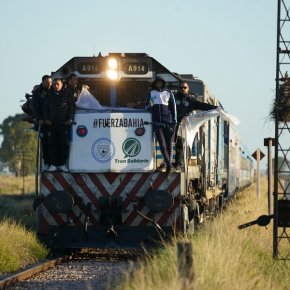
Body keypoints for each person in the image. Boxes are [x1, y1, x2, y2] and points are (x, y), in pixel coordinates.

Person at [174, 81, 218, 170]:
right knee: (169, 144)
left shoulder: (191, 101)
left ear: (188, 89)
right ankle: (166, 163)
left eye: (184, 87)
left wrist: (215, 108)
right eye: (181, 87)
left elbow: (202, 106)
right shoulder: (173, 99)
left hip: (183, 126)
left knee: (180, 145)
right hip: (172, 125)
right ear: (178, 89)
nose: (183, 89)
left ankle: (178, 164)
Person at [146, 76, 177, 174]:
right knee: (162, 145)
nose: (158, 84)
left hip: (168, 123)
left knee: (169, 145)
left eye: (160, 82)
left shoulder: (168, 92)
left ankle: (169, 164)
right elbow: (146, 106)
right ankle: (169, 165)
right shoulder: (151, 92)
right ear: (154, 83)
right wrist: (149, 106)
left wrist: (174, 122)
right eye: (157, 82)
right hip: (157, 123)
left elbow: (173, 108)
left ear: (163, 83)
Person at [44, 78, 74, 172]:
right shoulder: (49, 93)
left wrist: (70, 118)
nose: (55, 86)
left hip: (64, 124)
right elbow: (45, 108)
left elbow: (72, 106)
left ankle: (62, 164)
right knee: (52, 145)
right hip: (52, 124)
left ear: (61, 84)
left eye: (57, 84)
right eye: (53, 84)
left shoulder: (67, 92)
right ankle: (53, 164)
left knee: (63, 145)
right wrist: (47, 119)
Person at [32, 75, 52, 171]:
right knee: (45, 144)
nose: (50, 84)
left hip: (51, 123)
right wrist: (39, 118)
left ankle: (53, 163)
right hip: (42, 123)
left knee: (52, 143)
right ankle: (46, 163)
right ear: (43, 82)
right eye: (48, 82)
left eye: (50, 82)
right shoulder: (37, 93)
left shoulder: (52, 91)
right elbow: (36, 108)